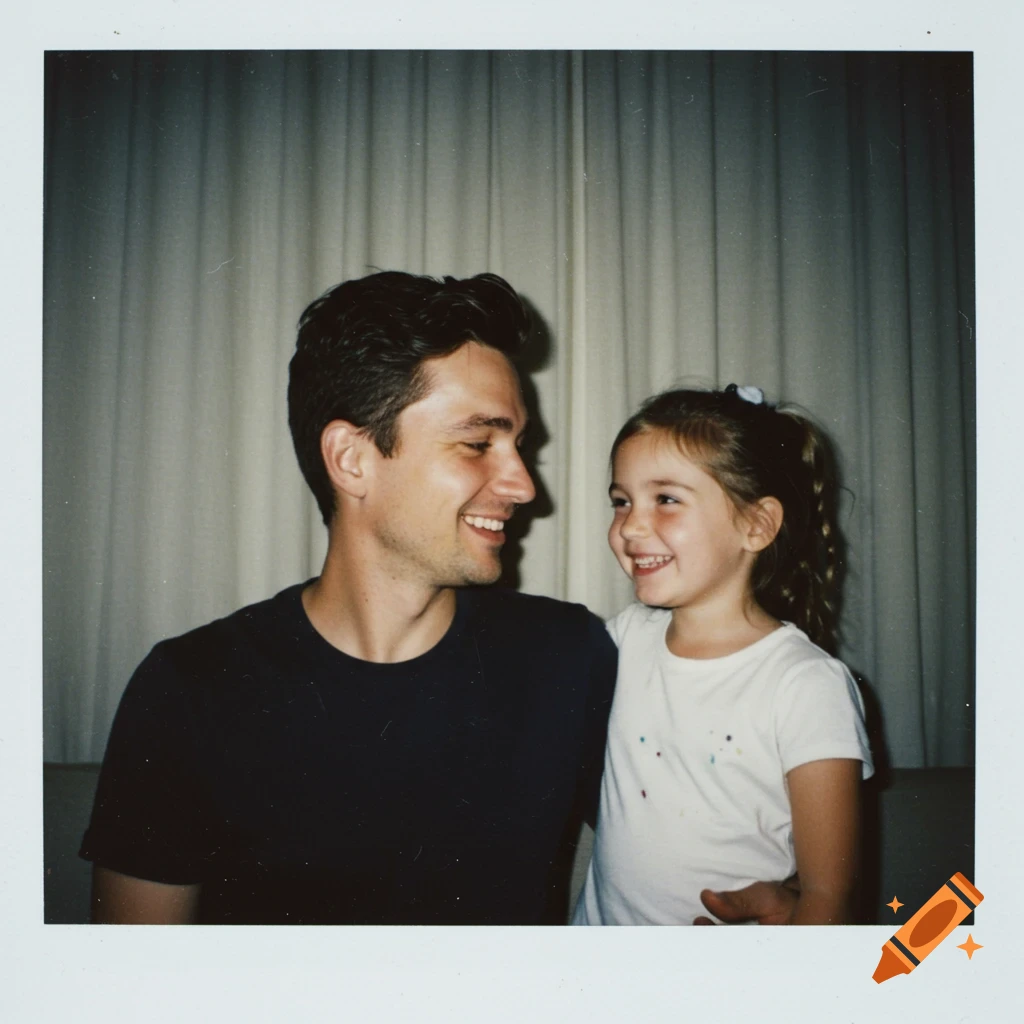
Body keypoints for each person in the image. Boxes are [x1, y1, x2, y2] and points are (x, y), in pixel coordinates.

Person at [79, 271, 804, 925]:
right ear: (353, 459)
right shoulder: (194, 690)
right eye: (478, 443)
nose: (525, 486)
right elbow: (130, 982)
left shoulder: (570, 657)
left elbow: (704, 820)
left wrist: (795, 912)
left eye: (518, 444)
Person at [572, 385, 874, 926]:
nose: (631, 526)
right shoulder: (625, 639)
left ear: (755, 525)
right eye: (622, 501)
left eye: (665, 499)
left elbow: (830, 898)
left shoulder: (806, 685)